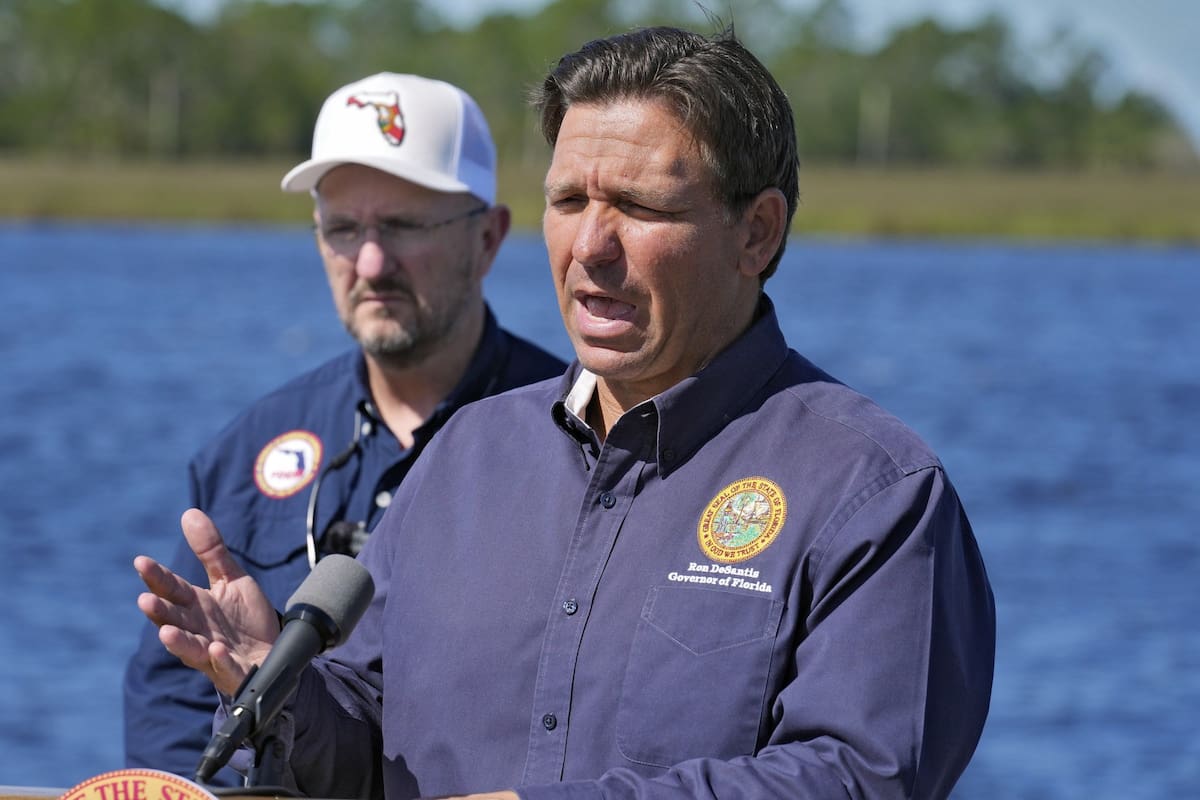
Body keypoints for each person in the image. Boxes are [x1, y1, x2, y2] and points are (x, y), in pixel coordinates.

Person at [134, 26, 996, 799]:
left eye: (642, 207)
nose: (591, 246)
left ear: (756, 233)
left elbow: (857, 779)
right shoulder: (466, 453)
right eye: (571, 201)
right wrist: (278, 691)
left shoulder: (874, 493)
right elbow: (365, 742)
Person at [123, 72, 566, 784]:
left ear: (488, 238)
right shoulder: (245, 453)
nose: (369, 262)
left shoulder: (583, 438)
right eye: (342, 228)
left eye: (403, 226)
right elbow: (169, 706)